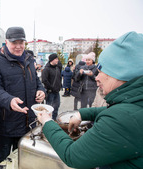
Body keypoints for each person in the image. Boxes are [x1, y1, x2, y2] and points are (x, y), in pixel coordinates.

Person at [37, 31, 143, 168]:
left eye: (102, 72)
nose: (97, 77)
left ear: (120, 74)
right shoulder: (134, 103)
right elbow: (113, 110)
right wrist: (81, 114)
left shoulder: (123, 120)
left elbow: (72, 155)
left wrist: (47, 122)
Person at [0, 27, 46, 166]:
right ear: (6, 42)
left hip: (28, 123)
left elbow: (36, 81)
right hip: (7, 124)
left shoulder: (29, 59)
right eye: (14, 43)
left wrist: (41, 91)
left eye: (21, 42)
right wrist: (9, 100)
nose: (18, 46)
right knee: (4, 161)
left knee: (23, 161)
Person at [41, 53, 62, 120]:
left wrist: (60, 86)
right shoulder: (46, 69)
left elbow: (59, 78)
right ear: (51, 60)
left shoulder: (57, 68)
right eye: (56, 59)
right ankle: (48, 121)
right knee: (49, 109)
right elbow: (44, 80)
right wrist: (51, 88)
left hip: (57, 92)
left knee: (56, 107)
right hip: (50, 93)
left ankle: (55, 120)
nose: (57, 60)